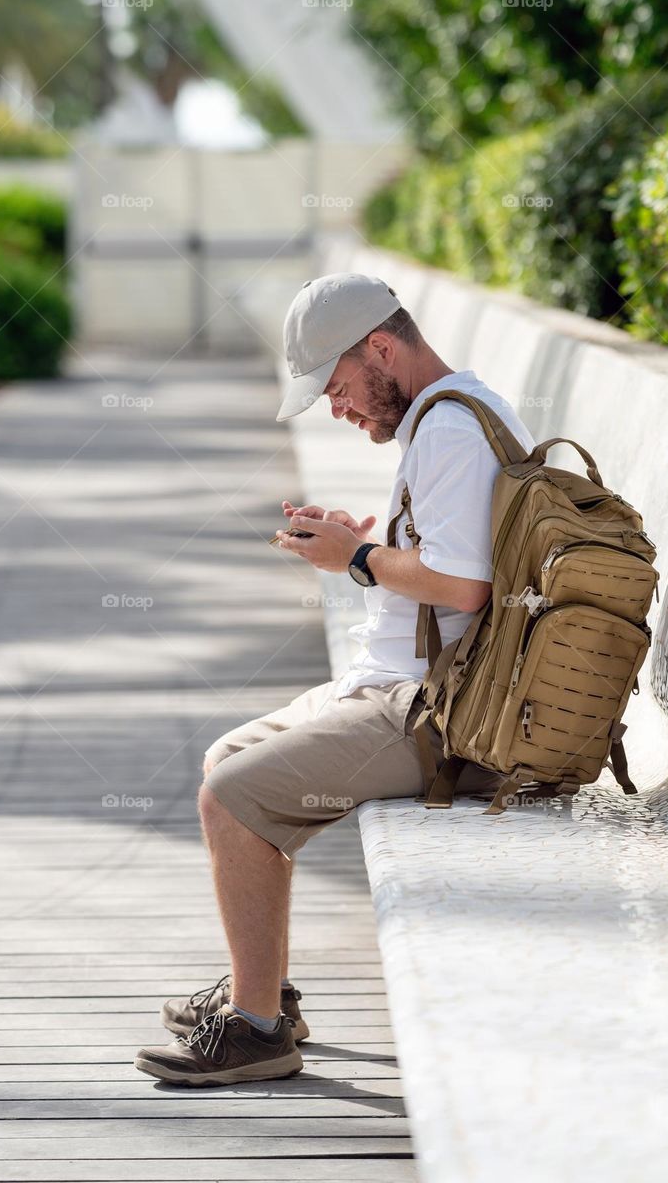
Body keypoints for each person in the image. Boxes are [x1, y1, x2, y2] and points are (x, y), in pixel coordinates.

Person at [135, 272, 536, 1086]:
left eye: (340, 386)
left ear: (382, 348)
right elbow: (451, 561)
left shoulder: (452, 431)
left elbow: (464, 590)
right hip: (404, 683)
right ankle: (265, 996)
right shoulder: (447, 416)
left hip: (438, 709)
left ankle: (253, 1032)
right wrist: (369, 545)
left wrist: (355, 557)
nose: (338, 408)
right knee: (226, 761)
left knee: (230, 798)